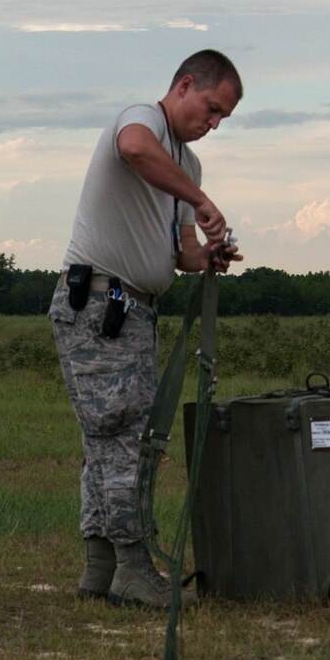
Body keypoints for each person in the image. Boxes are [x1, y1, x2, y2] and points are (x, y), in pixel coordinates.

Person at [49, 50, 242, 609]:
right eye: (211, 109)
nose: (213, 124)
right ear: (184, 85)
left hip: (133, 310)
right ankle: (132, 568)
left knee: (106, 442)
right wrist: (200, 199)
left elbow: (181, 253)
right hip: (98, 303)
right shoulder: (143, 119)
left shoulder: (187, 168)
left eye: (222, 118)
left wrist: (208, 256)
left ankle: (101, 568)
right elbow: (133, 148)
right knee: (124, 439)